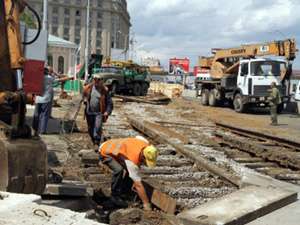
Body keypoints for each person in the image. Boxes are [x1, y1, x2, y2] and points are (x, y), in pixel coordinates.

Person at [98, 136, 158, 210]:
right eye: (145, 161)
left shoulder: (146, 145)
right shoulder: (131, 160)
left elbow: (137, 137)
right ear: (143, 156)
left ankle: (125, 192)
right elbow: (138, 185)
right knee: (119, 170)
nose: (145, 164)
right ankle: (115, 196)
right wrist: (146, 203)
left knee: (130, 172)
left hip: (114, 147)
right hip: (105, 151)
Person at [32, 67, 73, 135]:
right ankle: (42, 131)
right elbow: (60, 80)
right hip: (46, 99)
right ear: (47, 72)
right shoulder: (49, 78)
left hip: (38, 98)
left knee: (37, 114)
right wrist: (69, 78)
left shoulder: (38, 78)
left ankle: (34, 130)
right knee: (44, 115)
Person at [83, 74, 113, 149]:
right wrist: (85, 100)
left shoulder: (104, 90)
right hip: (89, 112)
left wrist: (107, 111)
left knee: (98, 126)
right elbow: (83, 95)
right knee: (90, 127)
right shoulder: (88, 88)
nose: (96, 81)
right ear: (93, 80)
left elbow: (110, 103)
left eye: (98, 80)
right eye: (95, 79)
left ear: (101, 81)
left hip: (99, 113)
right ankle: (93, 140)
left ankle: (97, 141)